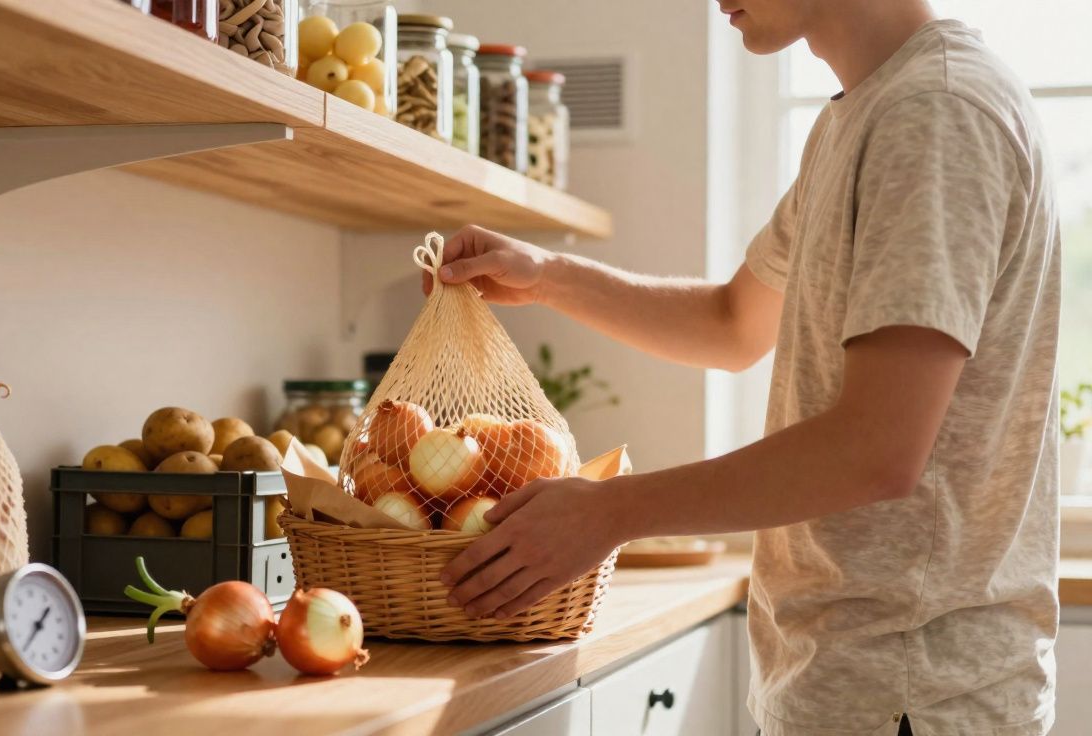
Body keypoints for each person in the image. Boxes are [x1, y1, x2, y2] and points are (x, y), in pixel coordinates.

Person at [434, 1, 1062, 734]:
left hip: (912, 697)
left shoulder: (935, 113)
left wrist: (609, 512)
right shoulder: (863, 114)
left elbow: (876, 449)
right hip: (846, 683)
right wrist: (547, 277)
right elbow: (733, 323)